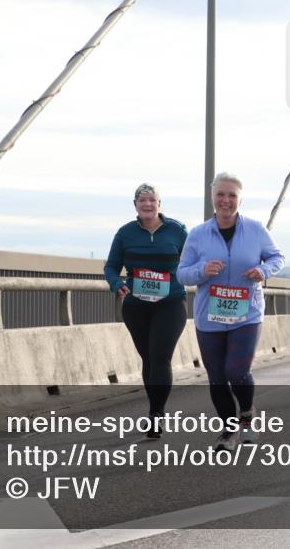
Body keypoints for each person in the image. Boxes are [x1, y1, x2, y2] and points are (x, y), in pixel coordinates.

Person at [177, 173, 284, 450]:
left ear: (240, 199)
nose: (226, 200)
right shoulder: (198, 234)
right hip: (209, 315)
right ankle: (228, 431)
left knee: (236, 370)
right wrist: (202, 270)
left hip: (246, 312)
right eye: (221, 195)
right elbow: (182, 274)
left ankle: (246, 413)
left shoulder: (256, 229)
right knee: (216, 376)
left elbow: (277, 257)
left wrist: (262, 270)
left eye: (232, 195)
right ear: (212, 198)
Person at [105, 183, 188, 441]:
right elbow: (111, 267)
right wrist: (117, 284)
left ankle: (156, 414)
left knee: (160, 356)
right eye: (142, 200)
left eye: (152, 200)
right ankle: (155, 409)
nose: (147, 204)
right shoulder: (125, 233)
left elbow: (192, 261)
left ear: (159, 204)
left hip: (171, 302)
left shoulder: (177, 230)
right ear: (135, 205)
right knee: (149, 359)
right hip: (136, 304)